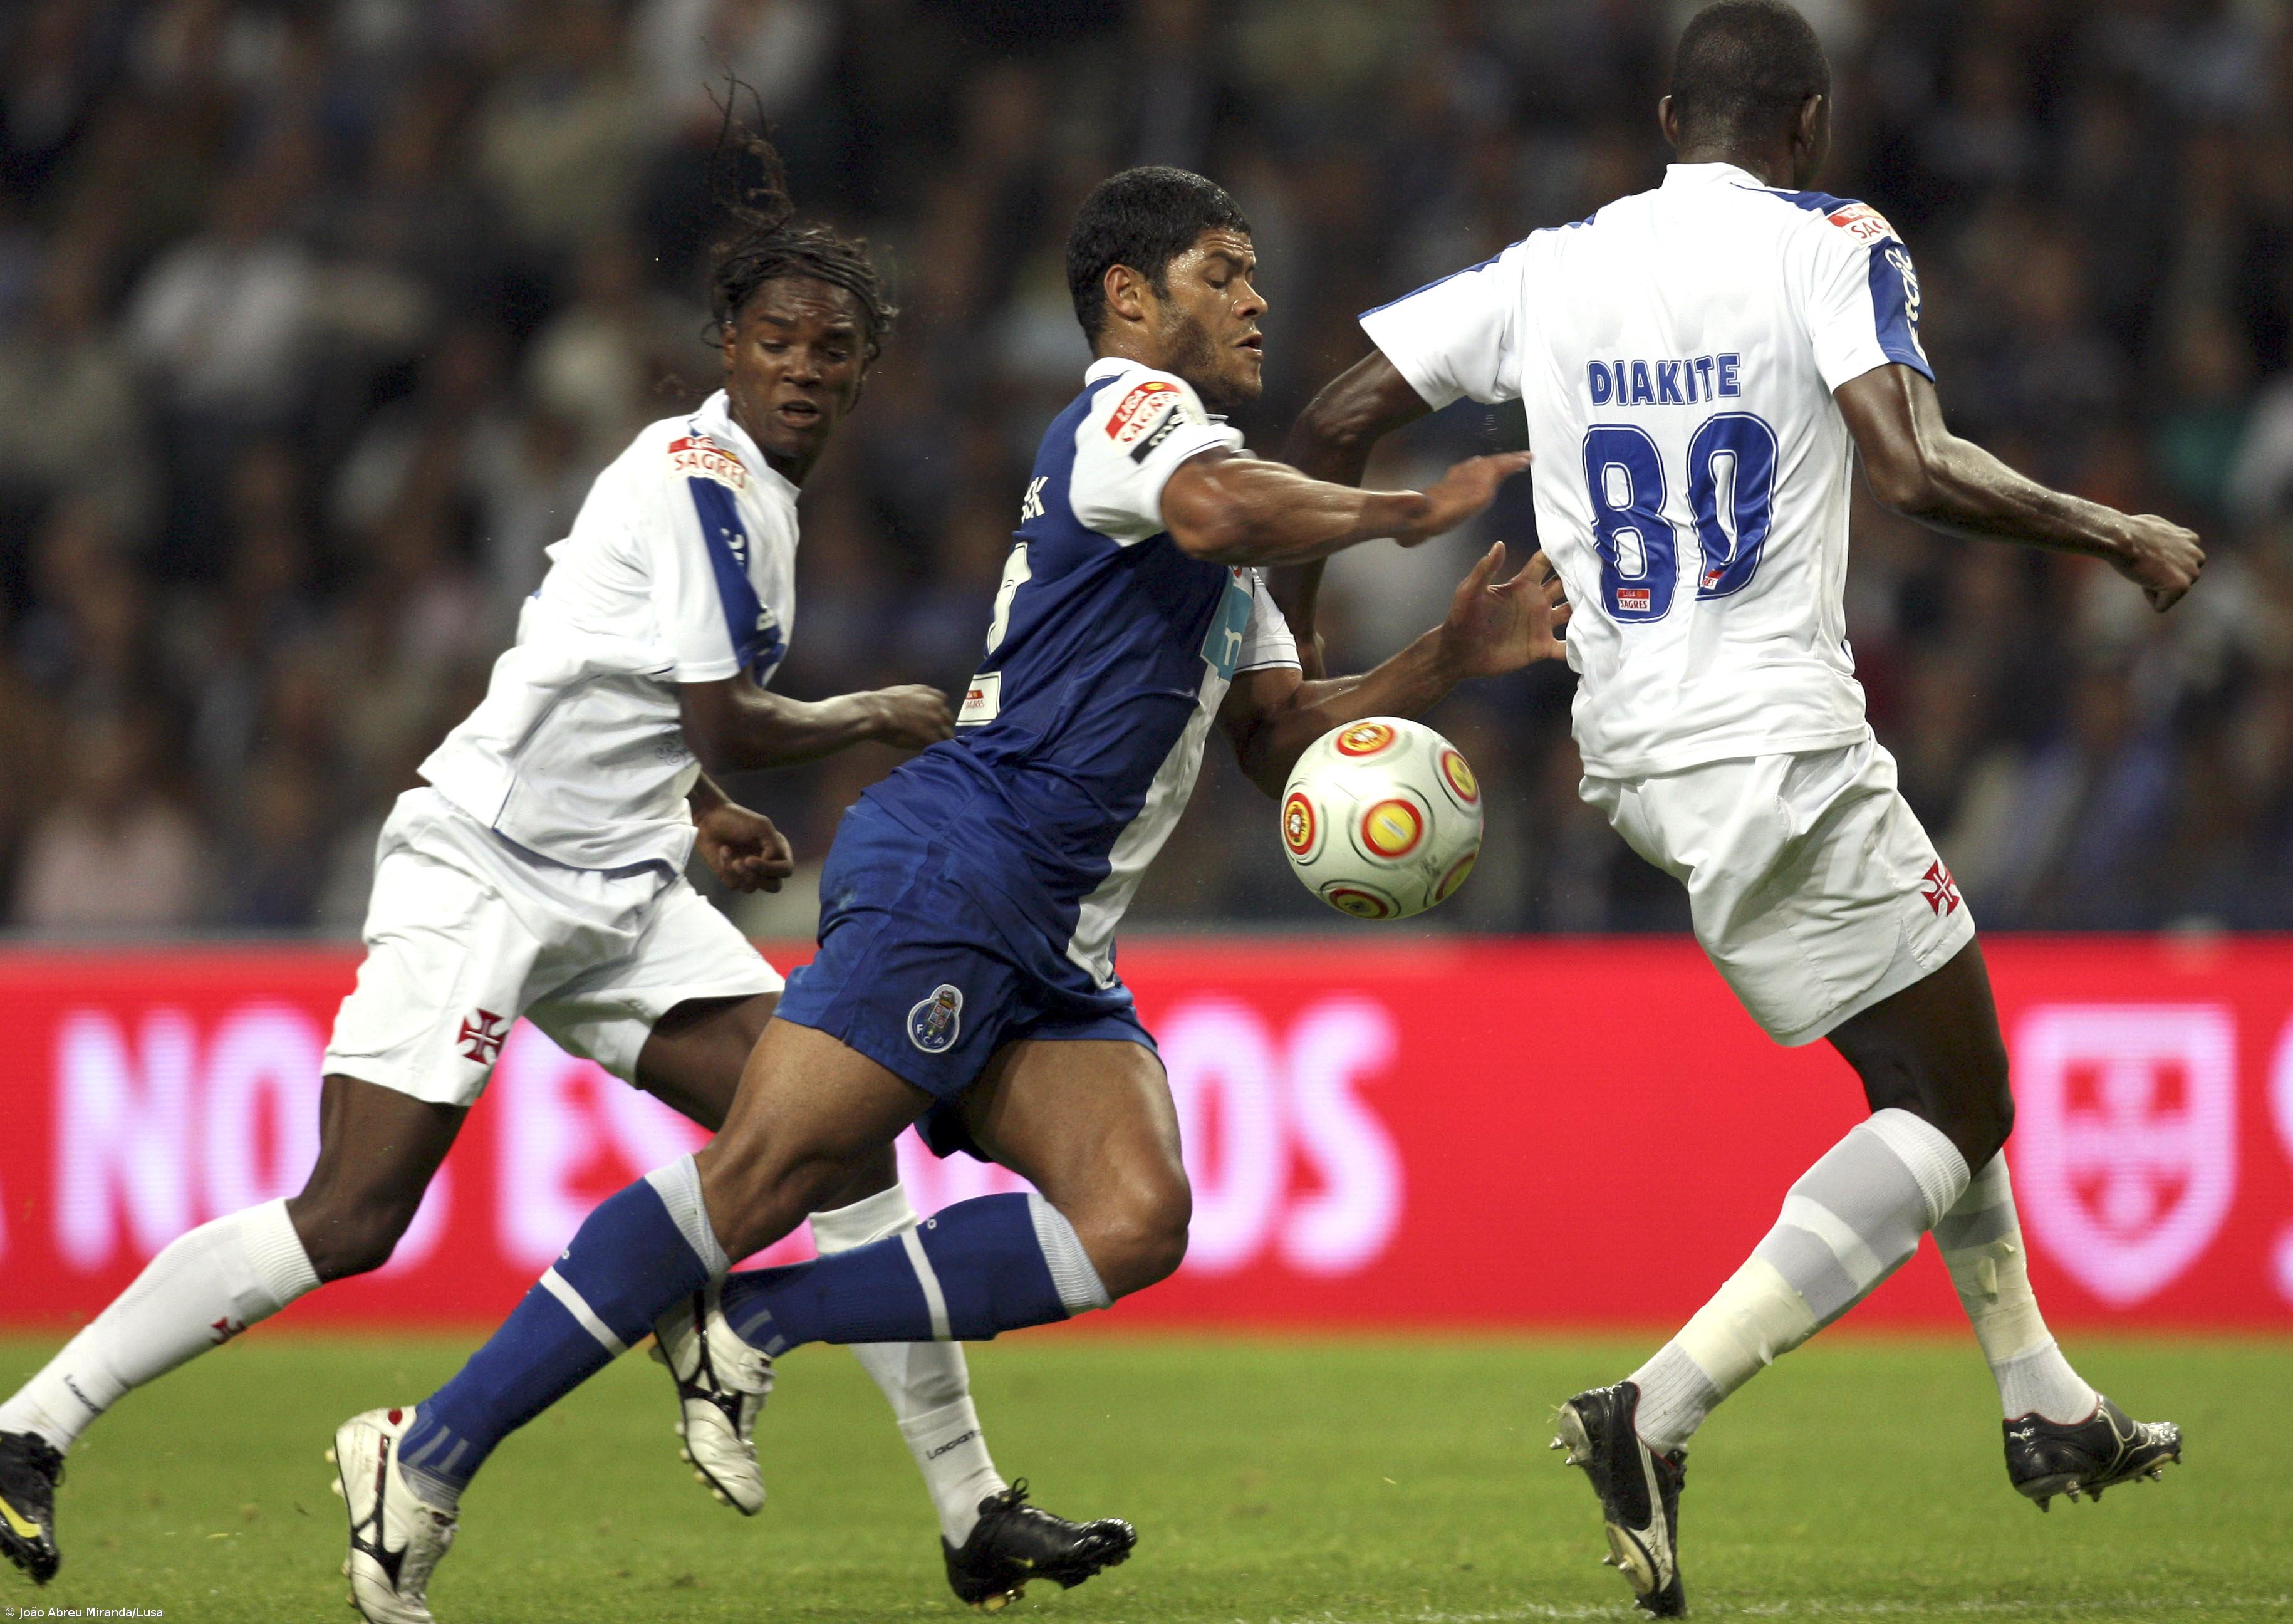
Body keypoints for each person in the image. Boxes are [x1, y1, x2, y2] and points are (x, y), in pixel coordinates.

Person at [326, 164, 1564, 1624]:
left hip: (1053, 928)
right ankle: (426, 1453)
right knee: (762, 1179)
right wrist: (1399, 510)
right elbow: (1226, 507)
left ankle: (757, 1318)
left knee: (1135, 1216)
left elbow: (1273, 737)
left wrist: (1443, 667)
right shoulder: (1129, 418)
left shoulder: (1204, 503)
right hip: (963, 866)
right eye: (1224, 270)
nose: (1256, 295)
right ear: (1129, 298)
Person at [0, 126, 1109, 1609]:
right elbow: (725, 706)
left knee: (836, 1133)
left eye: (831, 348)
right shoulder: (701, 477)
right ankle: (31, 1427)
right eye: (775, 337)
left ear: (861, 370)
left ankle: (971, 1509)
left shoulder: (759, 503)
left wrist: (697, 802)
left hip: (625, 877)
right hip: (488, 866)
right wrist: (875, 713)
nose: (802, 364)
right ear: (726, 346)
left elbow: (628, 682)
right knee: (354, 1215)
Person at [1271, 3, 2202, 1615]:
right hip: (1781, 747)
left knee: (1931, 1064)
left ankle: (2043, 1397)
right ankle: (1657, 1407)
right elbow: (1909, 468)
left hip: (1637, 756)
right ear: (1813, 123)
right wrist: (2108, 527)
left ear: (1661, 115)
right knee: (1960, 1106)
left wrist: (1289, 663)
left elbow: (1338, 419)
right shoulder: (1831, 238)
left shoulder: (1549, 268)